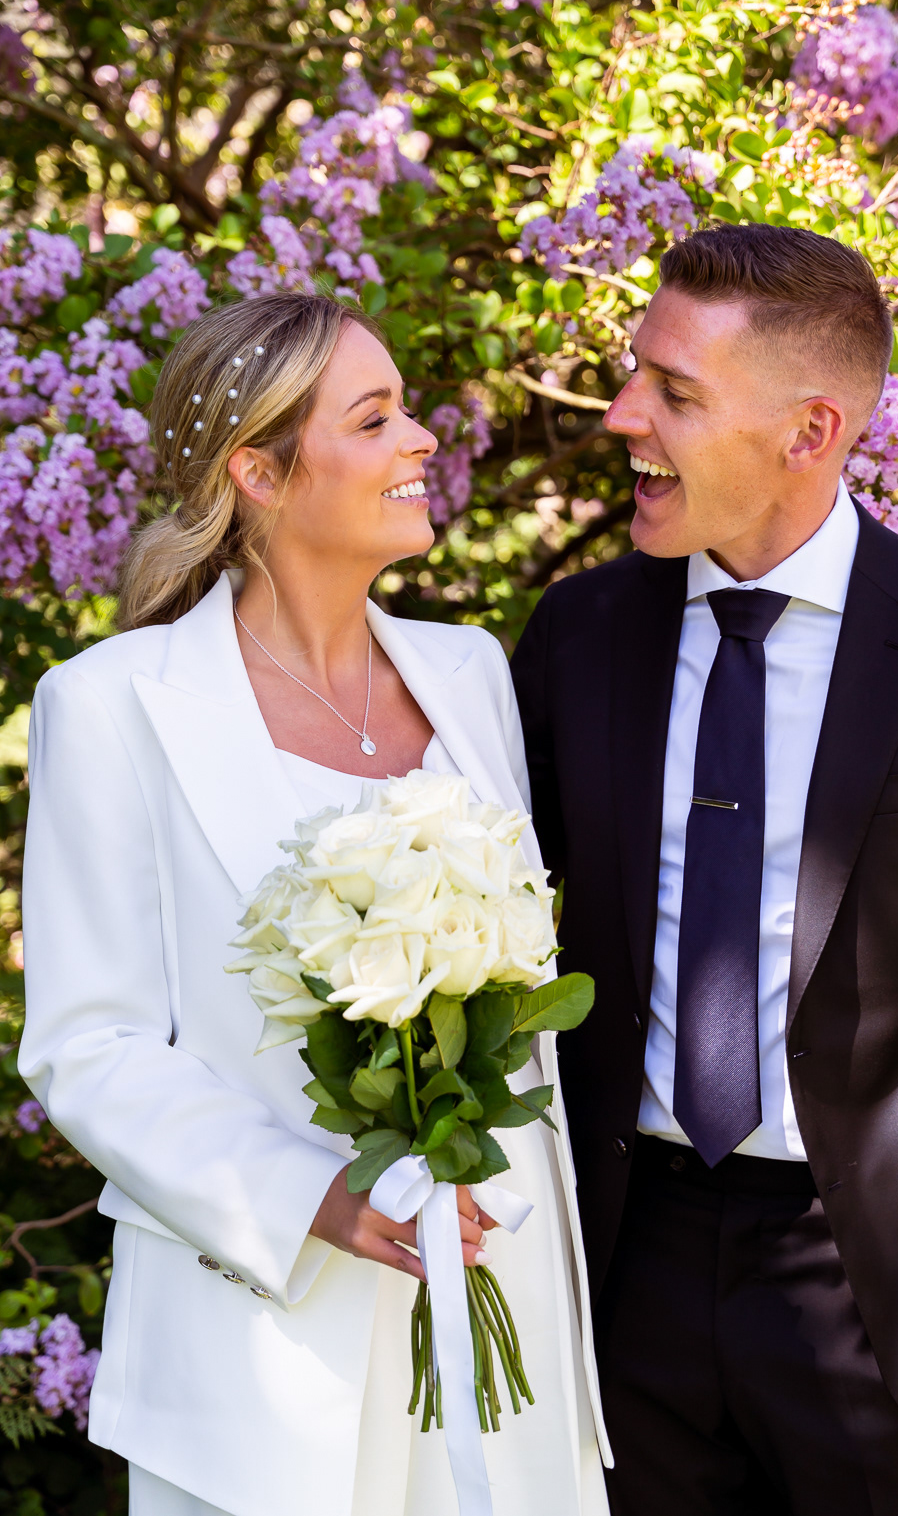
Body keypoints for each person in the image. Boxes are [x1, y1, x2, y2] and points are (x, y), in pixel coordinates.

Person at [510, 221, 898, 1516]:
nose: (622, 417)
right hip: (627, 1272)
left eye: (673, 391)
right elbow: (487, 930)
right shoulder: (579, 633)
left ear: (810, 431)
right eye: (635, 374)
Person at [19, 293, 610, 1516]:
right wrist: (315, 1199)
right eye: (374, 417)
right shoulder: (111, 702)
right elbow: (90, 1044)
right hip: (265, 1346)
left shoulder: (469, 673)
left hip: (502, 1313)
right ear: (260, 471)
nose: (421, 438)